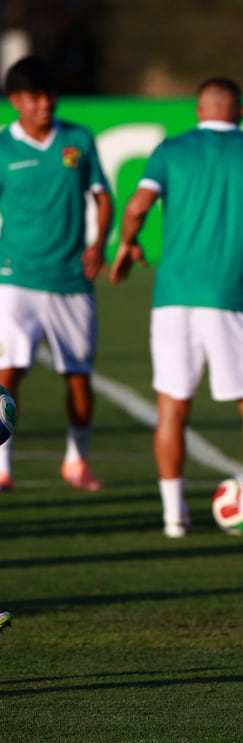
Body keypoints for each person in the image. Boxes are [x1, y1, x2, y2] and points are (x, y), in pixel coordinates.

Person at [110, 76, 243, 540]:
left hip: (172, 297)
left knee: (171, 407)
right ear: (241, 110)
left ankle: (174, 517)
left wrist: (126, 243)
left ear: (199, 110)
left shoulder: (171, 150)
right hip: (231, 296)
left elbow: (138, 206)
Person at [0, 55, 112, 494]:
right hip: (14, 277)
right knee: (7, 373)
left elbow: (102, 196)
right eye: (35, 96)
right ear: (16, 101)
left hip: (70, 278)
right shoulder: (3, 146)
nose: (45, 103)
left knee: (79, 377)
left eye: (50, 95)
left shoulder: (77, 139)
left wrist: (99, 244)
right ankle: (2, 466)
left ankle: (76, 460)